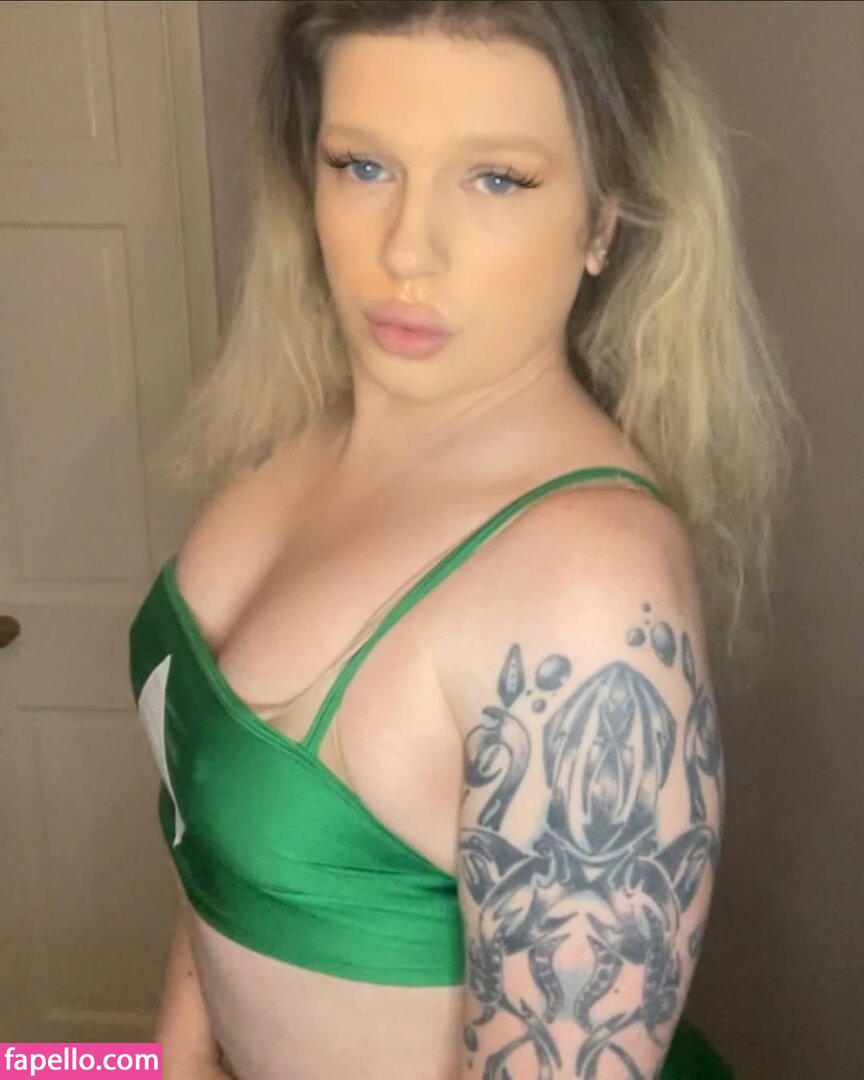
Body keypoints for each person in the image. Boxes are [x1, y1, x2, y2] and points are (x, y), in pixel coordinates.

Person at [129, 2, 801, 1078]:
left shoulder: (586, 590)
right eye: (362, 165)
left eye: (496, 179)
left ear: (602, 219)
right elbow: (202, 833)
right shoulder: (288, 454)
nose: (407, 248)